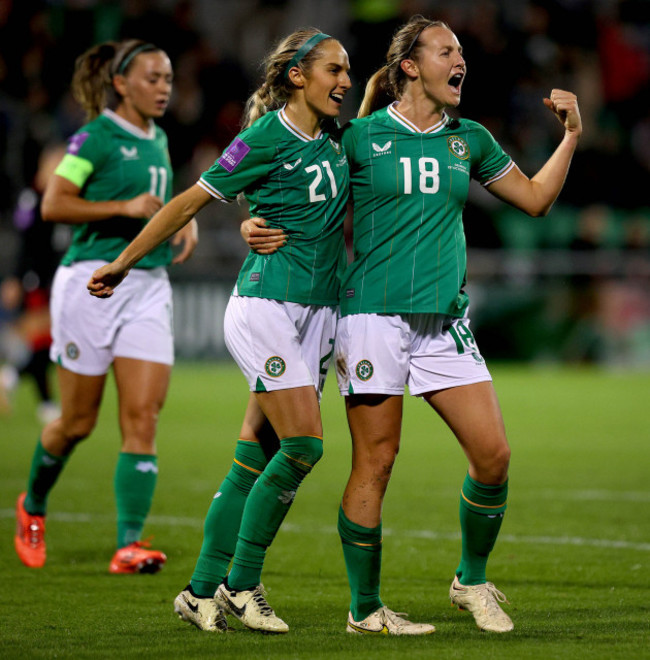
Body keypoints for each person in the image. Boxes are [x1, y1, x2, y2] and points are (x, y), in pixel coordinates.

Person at [244, 15, 582, 635]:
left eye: (461, 53)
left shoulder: (469, 139)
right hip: (372, 319)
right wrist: (251, 223)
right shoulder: (359, 138)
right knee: (376, 463)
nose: (460, 62)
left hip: (443, 321)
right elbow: (295, 184)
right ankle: (365, 609)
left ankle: (471, 581)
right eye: (446, 51)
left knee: (494, 455)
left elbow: (535, 200)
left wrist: (570, 138)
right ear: (409, 66)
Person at [87, 29, 354, 634]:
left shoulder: (337, 134)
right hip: (267, 306)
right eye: (333, 70)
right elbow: (188, 203)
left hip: (318, 315)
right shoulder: (262, 137)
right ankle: (242, 584)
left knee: (254, 458)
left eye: (348, 71)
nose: (344, 80)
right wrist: (123, 264)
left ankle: (200, 591)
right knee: (305, 446)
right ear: (296, 75)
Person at [13, 39, 198, 574]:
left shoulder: (159, 138)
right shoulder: (95, 136)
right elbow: (52, 203)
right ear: (121, 84)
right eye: (152, 79)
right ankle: (34, 504)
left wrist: (177, 231)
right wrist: (123, 206)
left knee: (143, 416)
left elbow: (154, 209)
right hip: (93, 283)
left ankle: (128, 544)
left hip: (148, 285)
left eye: (168, 79)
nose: (164, 88)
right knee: (76, 422)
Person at [0, 143, 67, 425]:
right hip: (34, 278)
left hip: (51, 279)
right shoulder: (32, 198)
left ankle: (45, 404)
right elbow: (22, 240)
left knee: (44, 343)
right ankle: (9, 378)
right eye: (59, 164)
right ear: (46, 166)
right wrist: (15, 278)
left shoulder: (59, 197)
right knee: (46, 338)